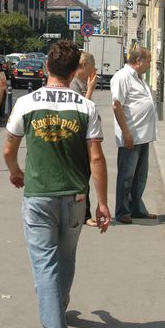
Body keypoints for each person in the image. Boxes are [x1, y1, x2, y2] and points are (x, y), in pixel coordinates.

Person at [3, 40, 111, 328]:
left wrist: (15, 171)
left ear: (47, 68)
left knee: (45, 266)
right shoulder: (85, 107)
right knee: (65, 258)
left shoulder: (27, 102)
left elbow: (9, 149)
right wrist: (102, 203)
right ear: (75, 70)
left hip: (39, 196)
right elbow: (97, 158)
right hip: (76, 197)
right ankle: (58, 306)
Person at [110, 46, 158, 224]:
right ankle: (122, 211)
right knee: (127, 175)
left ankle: (137, 208)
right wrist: (126, 133)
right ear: (139, 61)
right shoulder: (122, 77)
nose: (149, 65)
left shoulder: (138, 78)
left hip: (142, 135)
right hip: (131, 135)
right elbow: (116, 105)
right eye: (148, 61)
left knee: (140, 175)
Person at [70, 52, 98, 227]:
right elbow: (80, 111)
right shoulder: (74, 84)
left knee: (84, 177)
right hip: (77, 139)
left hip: (83, 137)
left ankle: (83, 213)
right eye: (92, 66)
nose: (94, 70)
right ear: (84, 66)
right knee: (81, 178)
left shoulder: (80, 82)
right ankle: (83, 215)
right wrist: (90, 89)